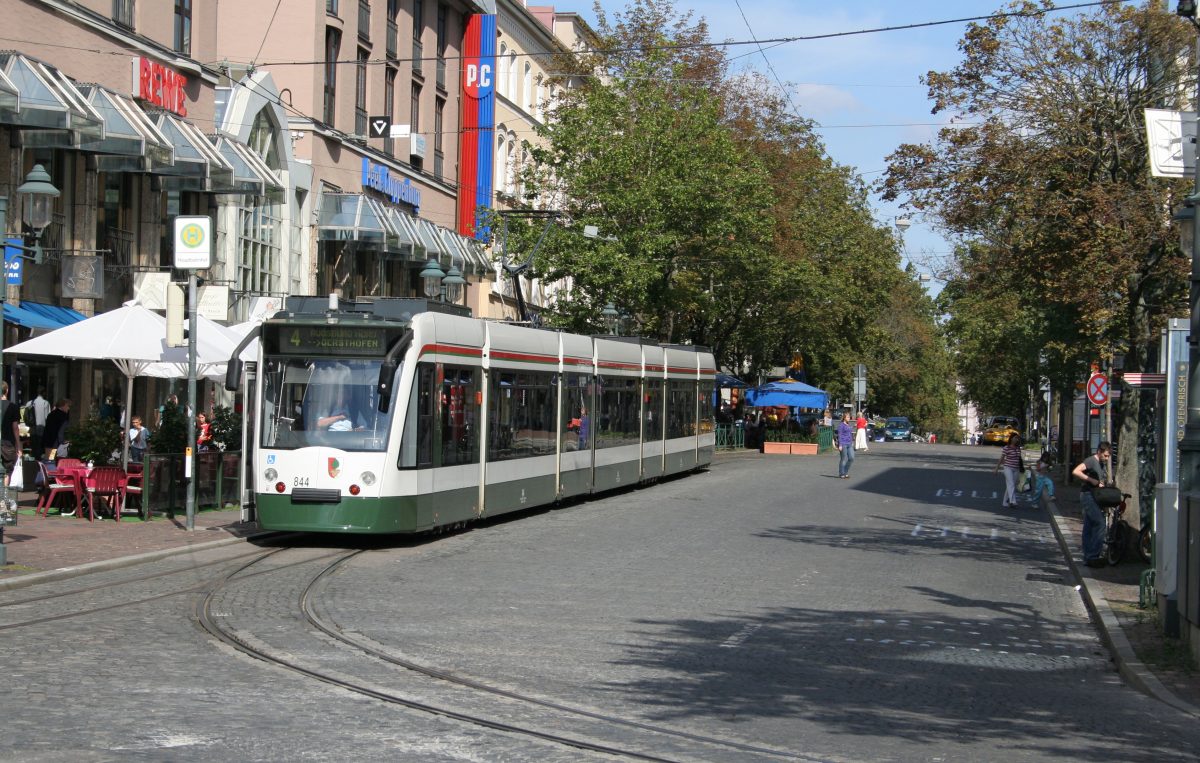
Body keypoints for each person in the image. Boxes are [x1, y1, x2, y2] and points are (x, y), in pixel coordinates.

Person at [1072, 441, 1112, 567]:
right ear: (1099, 452)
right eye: (1105, 455)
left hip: (1094, 496)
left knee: (1088, 526)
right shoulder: (1091, 461)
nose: (1107, 458)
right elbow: (1076, 471)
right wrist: (1092, 480)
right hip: (1087, 495)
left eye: (1109, 456)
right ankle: (1093, 555)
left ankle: (1088, 556)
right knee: (1100, 523)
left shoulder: (1100, 463)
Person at [994, 432, 1023, 509]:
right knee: (1011, 484)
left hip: (1016, 468)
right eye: (1015, 438)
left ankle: (1004, 502)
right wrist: (996, 468)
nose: (1016, 439)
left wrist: (1022, 468)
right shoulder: (1006, 448)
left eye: (1017, 438)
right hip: (1008, 468)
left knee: (1011, 485)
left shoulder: (1018, 448)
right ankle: (1013, 501)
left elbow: (1019, 459)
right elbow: (1002, 458)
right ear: (1011, 438)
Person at [0, 382, 18, 481]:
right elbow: (15, 427)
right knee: (8, 470)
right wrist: (18, 444)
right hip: (8, 443)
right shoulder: (13, 407)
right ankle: (4, 494)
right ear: (7, 390)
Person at [25, 390, 50, 458]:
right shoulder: (46, 403)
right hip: (42, 427)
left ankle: (33, 460)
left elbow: (25, 415)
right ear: (44, 393)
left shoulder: (29, 403)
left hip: (32, 427)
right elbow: (47, 417)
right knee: (40, 446)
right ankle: (39, 461)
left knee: (33, 445)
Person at [835, 411, 856, 479]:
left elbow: (849, 433)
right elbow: (840, 435)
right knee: (843, 459)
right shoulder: (841, 425)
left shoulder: (848, 424)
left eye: (849, 417)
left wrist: (852, 441)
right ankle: (841, 473)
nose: (849, 418)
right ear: (844, 418)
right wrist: (840, 445)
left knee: (851, 458)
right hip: (843, 444)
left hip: (849, 444)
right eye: (847, 417)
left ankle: (845, 471)